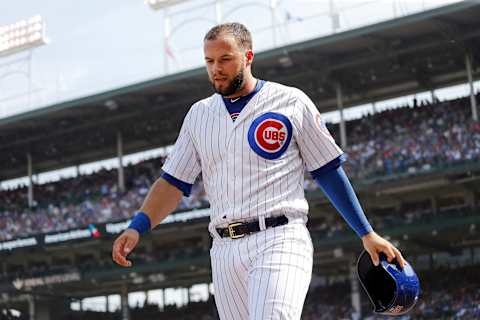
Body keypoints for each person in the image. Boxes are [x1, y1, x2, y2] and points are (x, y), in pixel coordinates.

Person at [112, 22, 405, 320]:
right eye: (209, 61)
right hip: (224, 249)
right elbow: (172, 182)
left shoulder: (290, 101)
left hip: (279, 236)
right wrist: (137, 226)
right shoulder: (198, 115)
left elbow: (327, 170)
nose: (216, 69)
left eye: (225, 59)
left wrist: (366, 233)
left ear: (248, 57)